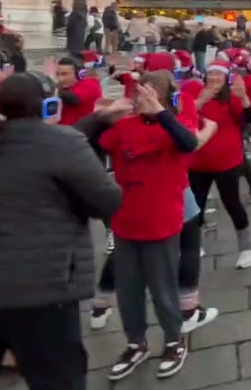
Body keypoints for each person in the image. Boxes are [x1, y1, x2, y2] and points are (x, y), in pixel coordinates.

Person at [0, 74, 123, 390]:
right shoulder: (62, 143)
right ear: (49, 105)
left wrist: (97, 119)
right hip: (37, 288)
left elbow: (36, 149)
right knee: (58, 377)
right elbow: (107, 200)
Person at [93, 73, 212, 381]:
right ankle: (136, 343)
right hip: (125, 220)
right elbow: (92, 146)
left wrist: (160, 113)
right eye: (138, 94)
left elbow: (189, 143)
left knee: (162, 288)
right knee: (129, 290)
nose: (140, 99)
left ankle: (174, 340)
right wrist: (103, 115)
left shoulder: (175, 128)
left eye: (149, 94)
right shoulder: (123, 127)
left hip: (161, 221)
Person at [189, 61, 251, 268]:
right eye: (211, 74)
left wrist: (244, 97)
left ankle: (246, 248)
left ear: (225, 77)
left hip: (226, 161)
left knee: (232, 203)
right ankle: (193, 245)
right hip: (198, 161)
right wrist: (200, 101)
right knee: (195, 206)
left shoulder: (232, 96)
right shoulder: (195, 92)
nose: (214, 78)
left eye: (218, 74)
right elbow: (183, 118)